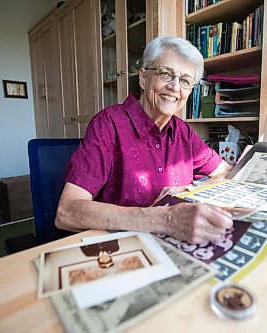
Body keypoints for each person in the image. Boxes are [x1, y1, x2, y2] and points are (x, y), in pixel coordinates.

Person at [55, 36, 234, 244]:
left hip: (174, 245)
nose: (175, 87)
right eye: (165, 73)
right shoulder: (108, 124)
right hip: (120, 248)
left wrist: (188, 190)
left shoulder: (183, 132)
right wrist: (167, 219)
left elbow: (226, 172)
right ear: (143, 78)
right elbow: (67, 211)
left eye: (185, 80)